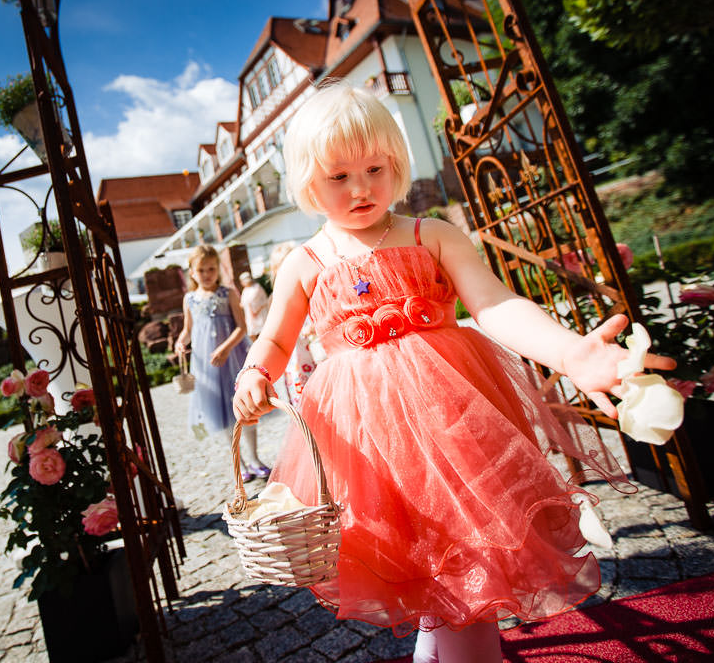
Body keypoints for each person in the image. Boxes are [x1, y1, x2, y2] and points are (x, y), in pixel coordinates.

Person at [232, 81, 674, 662]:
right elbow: (276, 338)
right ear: (307, 182)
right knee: (423, 559)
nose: (362, 187)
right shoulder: (304, 262)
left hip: (455, 421)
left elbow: (494, 304)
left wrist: (569, 353)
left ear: (398, 162)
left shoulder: (431, 234)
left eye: (376, 168)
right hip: (370, 442)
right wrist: (254, 374)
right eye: (339, 177)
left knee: (472, 550)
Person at [175, 245, 270, 482]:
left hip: (231, 358)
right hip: (206, 363)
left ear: (218, 269)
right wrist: (180, 342)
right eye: (201, 270)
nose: (207, 274)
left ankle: (256, 458)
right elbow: (188, 329)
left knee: (242, 408)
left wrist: (225, 348)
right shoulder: (189, 299)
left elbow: (242, 327)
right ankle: (241, 463)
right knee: (222, 414)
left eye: (211, 269)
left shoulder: (228, 293)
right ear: (192, 272)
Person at [268, 242, 318, 405]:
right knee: (304, 398)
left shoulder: (312, 290)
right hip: (295, 356)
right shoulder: (277, 299)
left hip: (316, 351)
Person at [238, 270, 270, 342]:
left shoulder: (257, 287)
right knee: (253, 336)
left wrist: (256, 311)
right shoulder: (245, 291)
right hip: (250, 317)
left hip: (260, 315)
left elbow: (262, 301)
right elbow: (243, 304)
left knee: (263, 334)